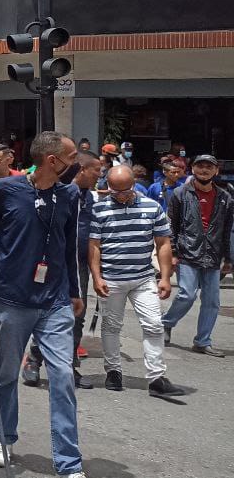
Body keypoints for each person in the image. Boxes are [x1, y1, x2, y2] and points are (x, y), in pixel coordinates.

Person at [0, 131, 86, 478]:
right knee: (7, 374)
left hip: (55, 301)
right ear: (52, 161)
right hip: (12, 299)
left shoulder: (70, 195)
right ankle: (3, 437)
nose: (76, 165)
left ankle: (68, 462)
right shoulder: (5, 189)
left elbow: (71, 246)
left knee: (63, 375)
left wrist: (75, 290)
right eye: (71, 158)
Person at [88, 166, 183, 397]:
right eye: (116, 191)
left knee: (153, 324)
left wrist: (166, 277)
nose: (122, 195)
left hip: (143, 278)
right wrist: (97, 276)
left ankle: (156, 377)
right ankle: (113, 371)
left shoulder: (152, 207)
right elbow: (94, 246)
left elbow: (162, 243)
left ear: (135, 184)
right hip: (112, 279)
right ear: (109, 187)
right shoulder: (99, 209)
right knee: (111, 326)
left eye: (127, 190)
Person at [23, 150, 102, 389]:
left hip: (79, 265)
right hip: (52, 264)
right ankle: (34, 360)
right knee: (48, 311)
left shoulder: (91, 198)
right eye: (96, 170)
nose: (100, 174)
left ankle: (69, 365)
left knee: (76, 315)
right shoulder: (58, 194)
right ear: (82, 170)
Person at [161, 154, 232, 357]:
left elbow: (227, 231)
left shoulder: (225, 198)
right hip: (187, 253)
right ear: (193, 169)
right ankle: (166, 323)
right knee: (187, 294)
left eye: (209, 167)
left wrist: (228, 259)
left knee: (212, 301)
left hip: (213, 255)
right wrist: (172, 253)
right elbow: (171, 227)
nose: (204, 170)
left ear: (216, 171)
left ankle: (202, 341)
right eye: (200, 166)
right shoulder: (180, 194)